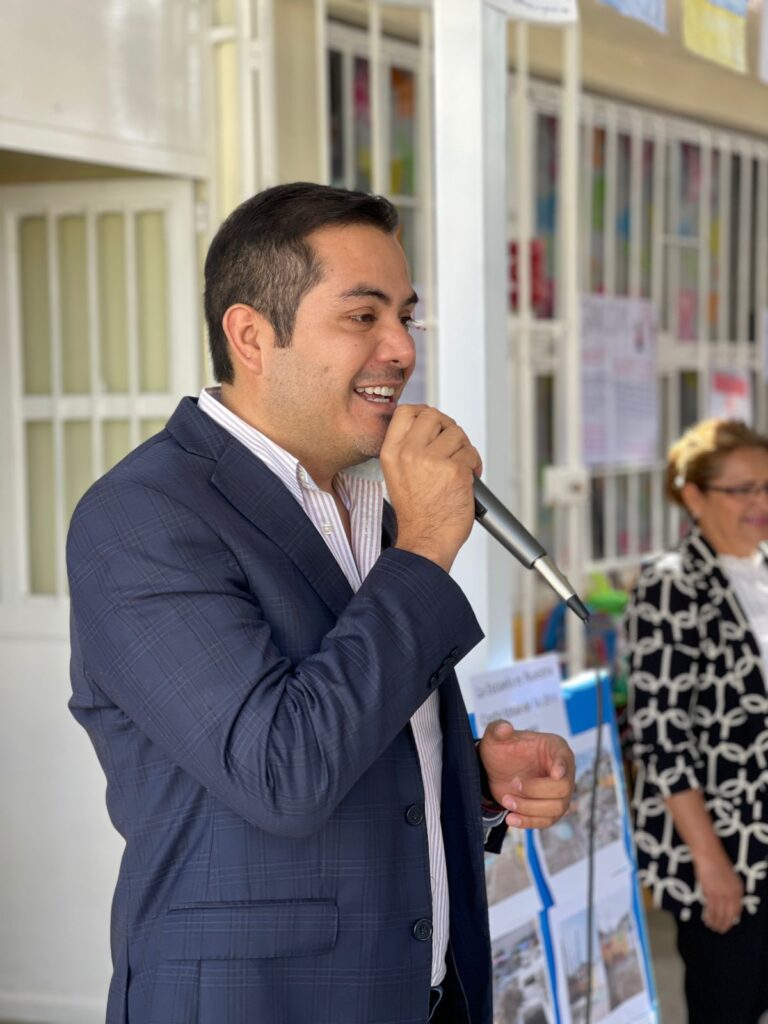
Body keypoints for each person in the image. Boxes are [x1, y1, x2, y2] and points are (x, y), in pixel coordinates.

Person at [68, 182, 575, 1024]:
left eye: (406, 317)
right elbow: (283, 770)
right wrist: (427, 547)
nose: (401, 349)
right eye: (362, 316)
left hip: (424, 995)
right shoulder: (142, 516)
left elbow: (354, 720)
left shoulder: (371, 502)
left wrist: (475, 779)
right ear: (251, 336)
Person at [624, 418, 768, 1024]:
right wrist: (711, 863)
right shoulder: (671, 585)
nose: (760, 502)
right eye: (742, 489)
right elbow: (661, 738)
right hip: (727, 850)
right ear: (694, 495)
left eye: (767, 485)